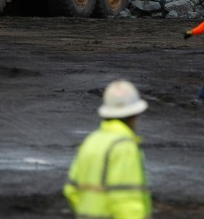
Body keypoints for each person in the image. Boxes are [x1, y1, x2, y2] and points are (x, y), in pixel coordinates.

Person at [64, 79, 151, 219]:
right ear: (134, 115)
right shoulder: (124, 147)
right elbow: (126, 201)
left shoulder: (90, 141)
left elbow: (71, 190)